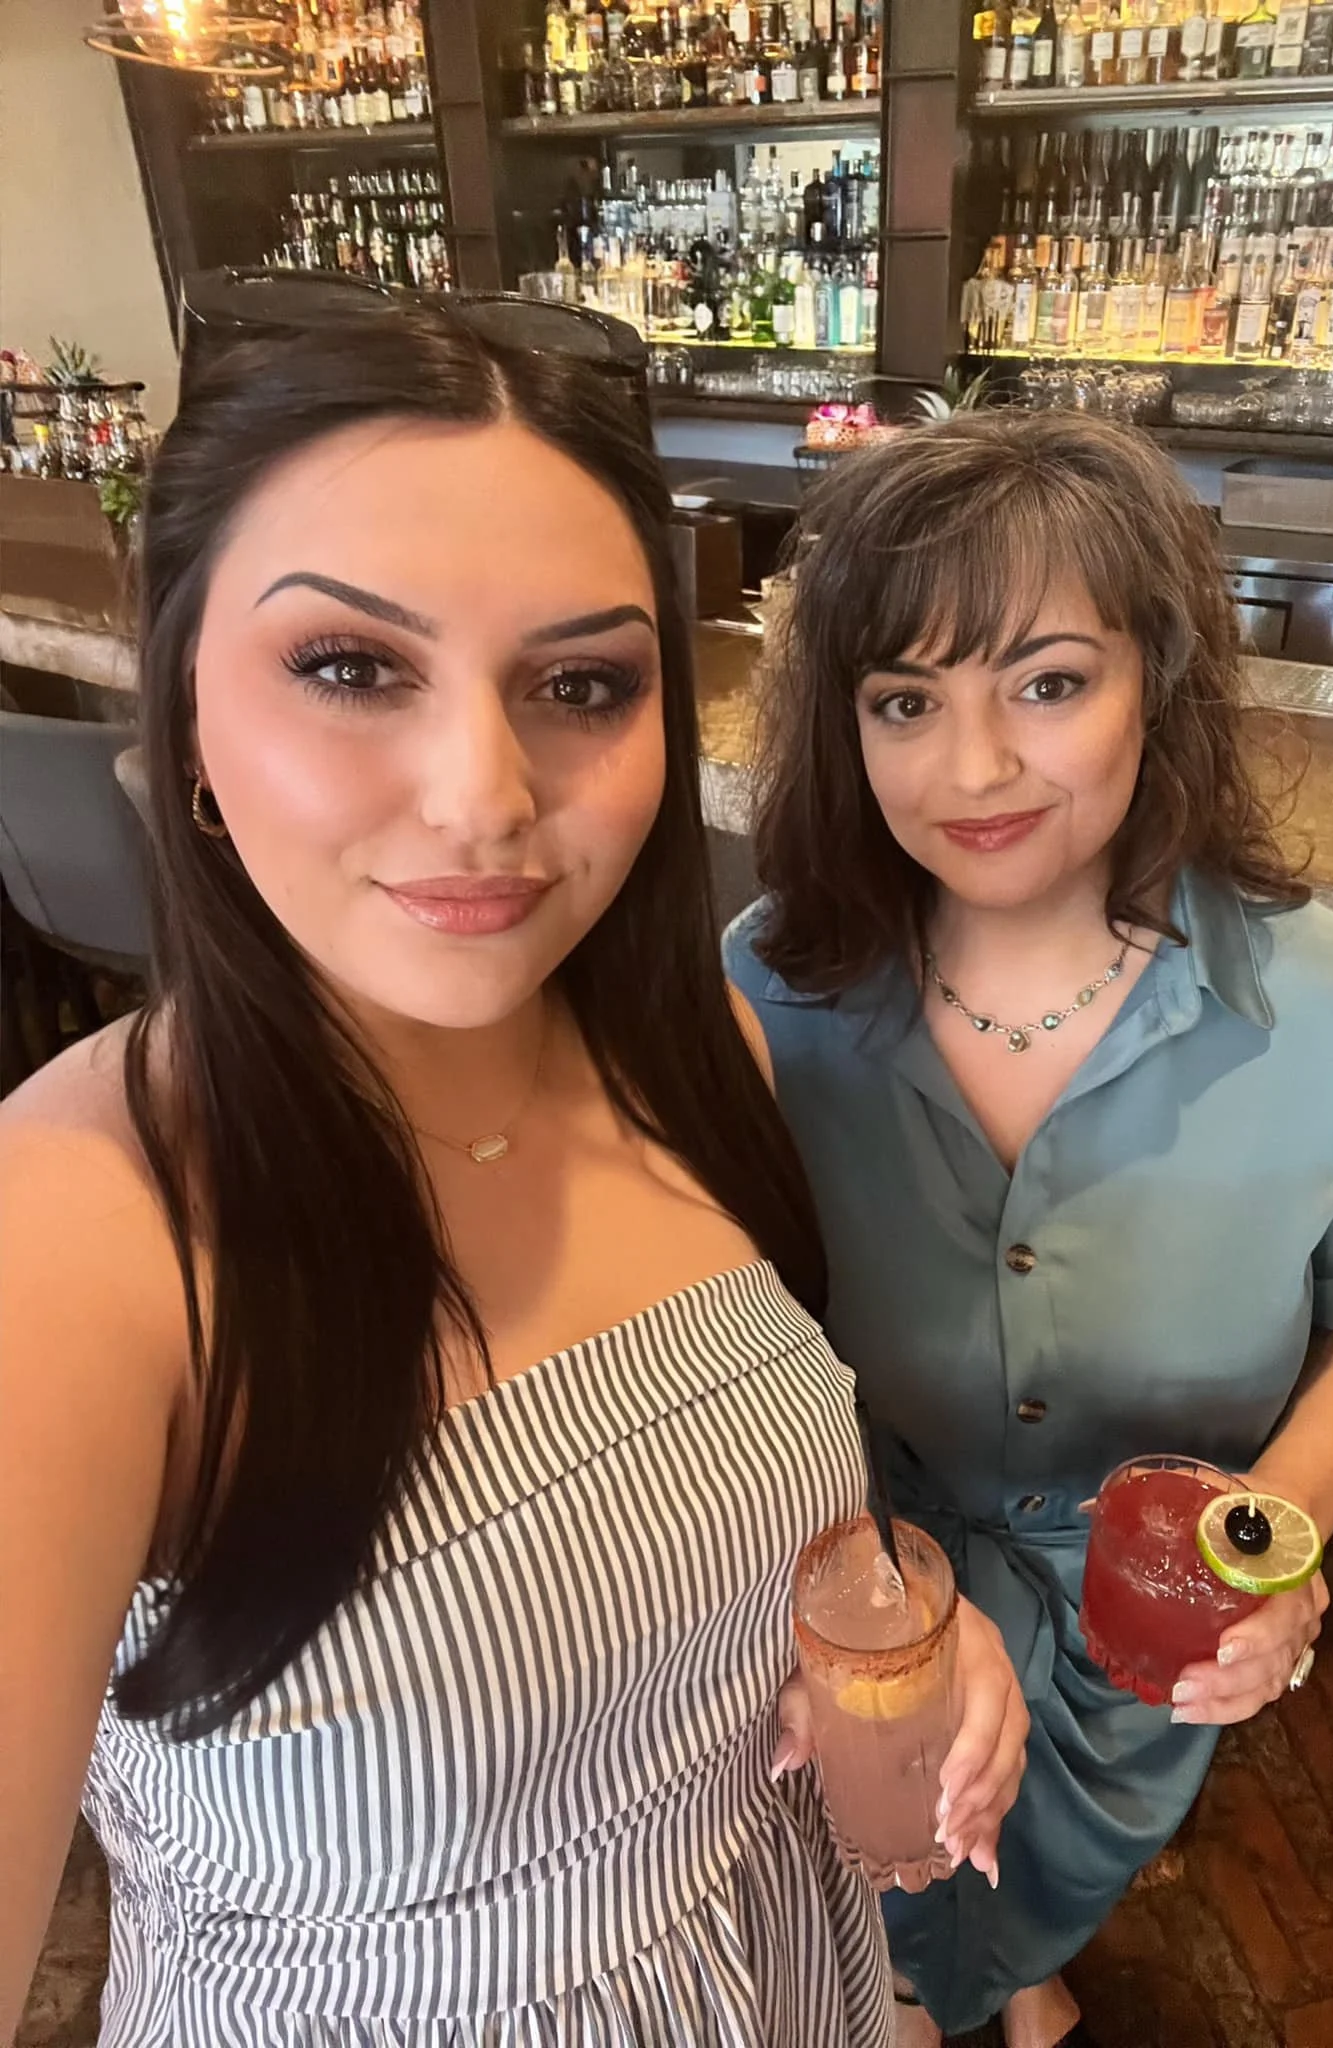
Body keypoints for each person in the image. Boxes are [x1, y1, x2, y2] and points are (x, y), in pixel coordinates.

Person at [0, 309, 1027, 2048]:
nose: (484, 797)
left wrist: (894, 1638)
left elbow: (721, 1539)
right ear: (180, 713)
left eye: (579, 685)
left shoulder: (701, 1050)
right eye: (348, 667)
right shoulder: (75, 1244)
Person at [725, 411, 1333, 2048]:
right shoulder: (764, 988)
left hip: (1150, 1607)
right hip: (859, 1583)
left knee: (1035, 1880)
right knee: (874, 1904)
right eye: (904, 700)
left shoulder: (1323, 1010)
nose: (973, 769)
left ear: (1156, 676)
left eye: (1046, 681)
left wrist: (1271, 1538)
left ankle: (1017, 1955)